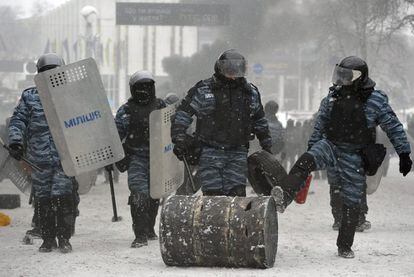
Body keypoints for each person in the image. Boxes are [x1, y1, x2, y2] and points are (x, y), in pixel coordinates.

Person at [271, 56, 412, 258]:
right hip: (331, 145)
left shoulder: (375, 100)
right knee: (305, 161)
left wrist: (404, 153)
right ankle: (283, 197)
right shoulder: (332, 96)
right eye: (340, 74)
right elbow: (320, 124)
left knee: (352, 201)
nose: (342, 79)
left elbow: (393, 126)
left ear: (359, 77)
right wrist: (313, 149)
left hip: (355, 154)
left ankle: (344, 246)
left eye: (346, 76)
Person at [171, 49, 272, 197]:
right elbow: (183, 114)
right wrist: (179, 138)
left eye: (237, 70)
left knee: (236, 197)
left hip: (238, 151)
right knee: (213, 196)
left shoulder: (250, 93)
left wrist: (266, 145)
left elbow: (259, 120)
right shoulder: (203, 90)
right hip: (210, 151)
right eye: (229, 70)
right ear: (220, 68)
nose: (232, 75)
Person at [8, 53, 76, 253]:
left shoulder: (72, 95)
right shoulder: (30, 97)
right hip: (39, 160)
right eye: (46, 72)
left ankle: (64, 238)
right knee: (43, 201)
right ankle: (47, 238)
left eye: (54, 72)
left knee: (63, 198)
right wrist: (15, 141)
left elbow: (88, 122)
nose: (50, 76)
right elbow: (18, 120)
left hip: (66, 159)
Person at [114, 70, 166, 248]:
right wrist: (115, 156)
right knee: (138, 195)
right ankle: (140, 234)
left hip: (158, 158)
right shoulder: (125, 111)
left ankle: (149, 228)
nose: (144, 90)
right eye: (140, 87)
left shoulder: (161, 107)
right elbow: (115, 136)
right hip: (136, 158)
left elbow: (172, 129)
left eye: (147, 86)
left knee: (154, 195)